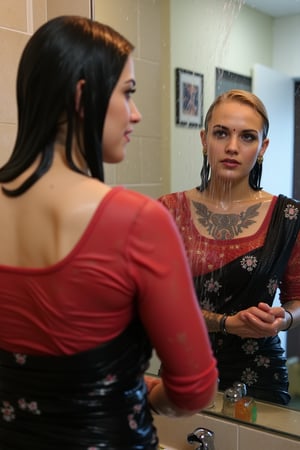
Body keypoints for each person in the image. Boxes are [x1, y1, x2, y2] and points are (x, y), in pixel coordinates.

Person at [0, 15, 218, 450]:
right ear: (84, 96)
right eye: (128, 93)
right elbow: (194, 389)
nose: (135, 114)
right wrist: (141, 391)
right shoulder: (137, 220)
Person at [158, 89, 300, 406]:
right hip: (185, 370)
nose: (232, 147)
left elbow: (298, 298)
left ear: (262, 147)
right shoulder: (168, 211)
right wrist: (225, 323)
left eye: (247, 137)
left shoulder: (289, 217)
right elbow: (158, 304)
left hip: (261, 378)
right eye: (221, 133)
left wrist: (282, 319)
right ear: (204, 138)